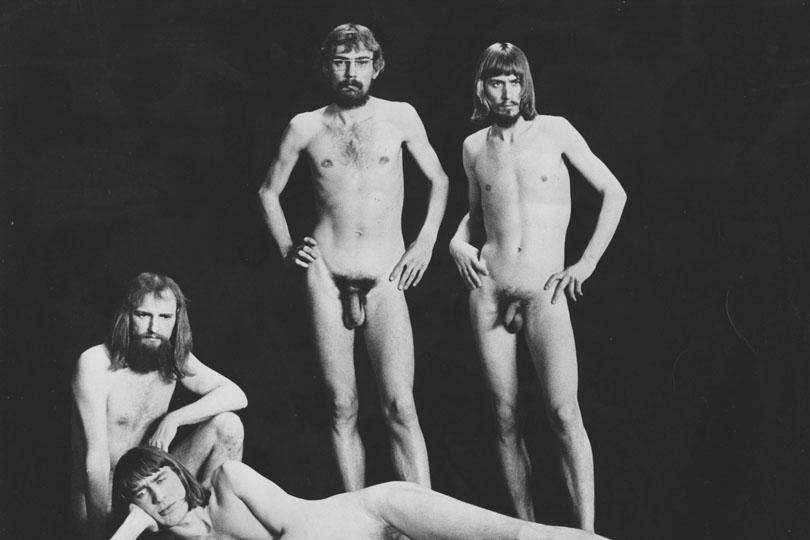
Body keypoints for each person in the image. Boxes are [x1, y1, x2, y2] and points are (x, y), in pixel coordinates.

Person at [258, 23, 448, 490]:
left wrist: (424, 243)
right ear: (326, 67)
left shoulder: (400, 116)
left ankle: (424, 514)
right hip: (326, 272)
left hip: (387, 272)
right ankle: (355, 515)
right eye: (341, 62)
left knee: (400, 404)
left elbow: (440, 180)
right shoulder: (305, 126)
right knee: (342, 406)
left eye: (361, 62)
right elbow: (268, 192)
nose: (351, 72)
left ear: (376, 67)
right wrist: (287, 248)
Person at [449, 43, 627, 531]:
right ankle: (526, 530)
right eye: (496, 82)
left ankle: (586, 533)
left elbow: (614, 192)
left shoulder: (555, 130)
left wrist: (586, 263)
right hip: (489, 289)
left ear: (525, 84)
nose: (507, 92)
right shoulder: (473, 147)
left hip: (545, 291)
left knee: (564, 412)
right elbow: (477, 216)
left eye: (514, 81)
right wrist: (456, 242)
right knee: (504, 417)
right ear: (482, 89)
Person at [71, 272, 248, 540]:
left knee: (228, 426)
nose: (154, 327)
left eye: (165, 317)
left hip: (154, 487)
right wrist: (99, 531)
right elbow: (94, 460)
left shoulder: (173, 358)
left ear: (176, 320)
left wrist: (174, 419)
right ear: (126, 316)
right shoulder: (95, 364)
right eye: (143, 315)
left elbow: (236, 395)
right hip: (107, 496)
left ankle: (212, 527)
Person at [109, 446, 610, 540]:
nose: (159, 497)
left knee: (520, 537)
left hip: (374, 510)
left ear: (177, 471)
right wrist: (130, 527)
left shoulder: (227, 482)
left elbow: (300, 527)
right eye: (142, 494)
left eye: (160, 479)